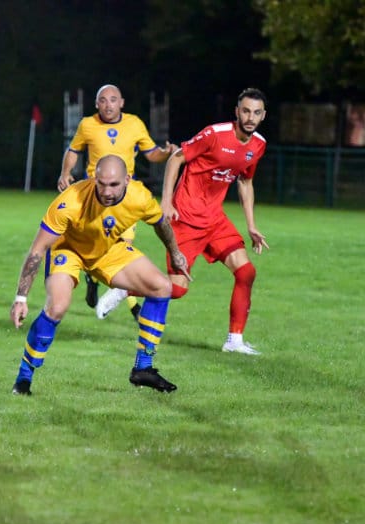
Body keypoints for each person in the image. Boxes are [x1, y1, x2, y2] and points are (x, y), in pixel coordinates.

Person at [9, 155, 190, 396]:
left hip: (107, 250)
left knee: (161, 287)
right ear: (94, 178)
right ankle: (24, 378)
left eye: (114, 185)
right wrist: (21, 298)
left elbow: (161, 223)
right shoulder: (71, 201)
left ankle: (143, 368)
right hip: (68, 249)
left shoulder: (140, 197)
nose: (106, 191)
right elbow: (37, 250)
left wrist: (175, 253)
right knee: (57, 307)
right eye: (101, 184)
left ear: (127, 179)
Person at [114, 87, 268, 355]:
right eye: (245, 111)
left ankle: (234, 341)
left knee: (246, 272)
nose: (250, 117)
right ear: (237, 112)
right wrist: (166, 202)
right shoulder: (215, 134)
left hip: (215, 219)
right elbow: (176, 158)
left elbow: (245, 182)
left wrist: (251, 225)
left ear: (263, 115)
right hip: (185, 218)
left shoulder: (258, 145)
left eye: (256, 113)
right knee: (177, 289)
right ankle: (126, 290)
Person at [58, 84, 176, 317]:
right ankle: (97, 279)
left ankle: (130, 303)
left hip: (124, 197)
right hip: (94, 197)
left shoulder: (134, 124)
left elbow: (151, 153)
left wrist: (166, 153)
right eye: (103, 100)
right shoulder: (88, 124)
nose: (108, 104)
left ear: (121, 103)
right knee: (99, 245)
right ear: (96, 104)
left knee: (124, 246)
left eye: (113, 100)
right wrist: (65, 173)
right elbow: (73, 150)